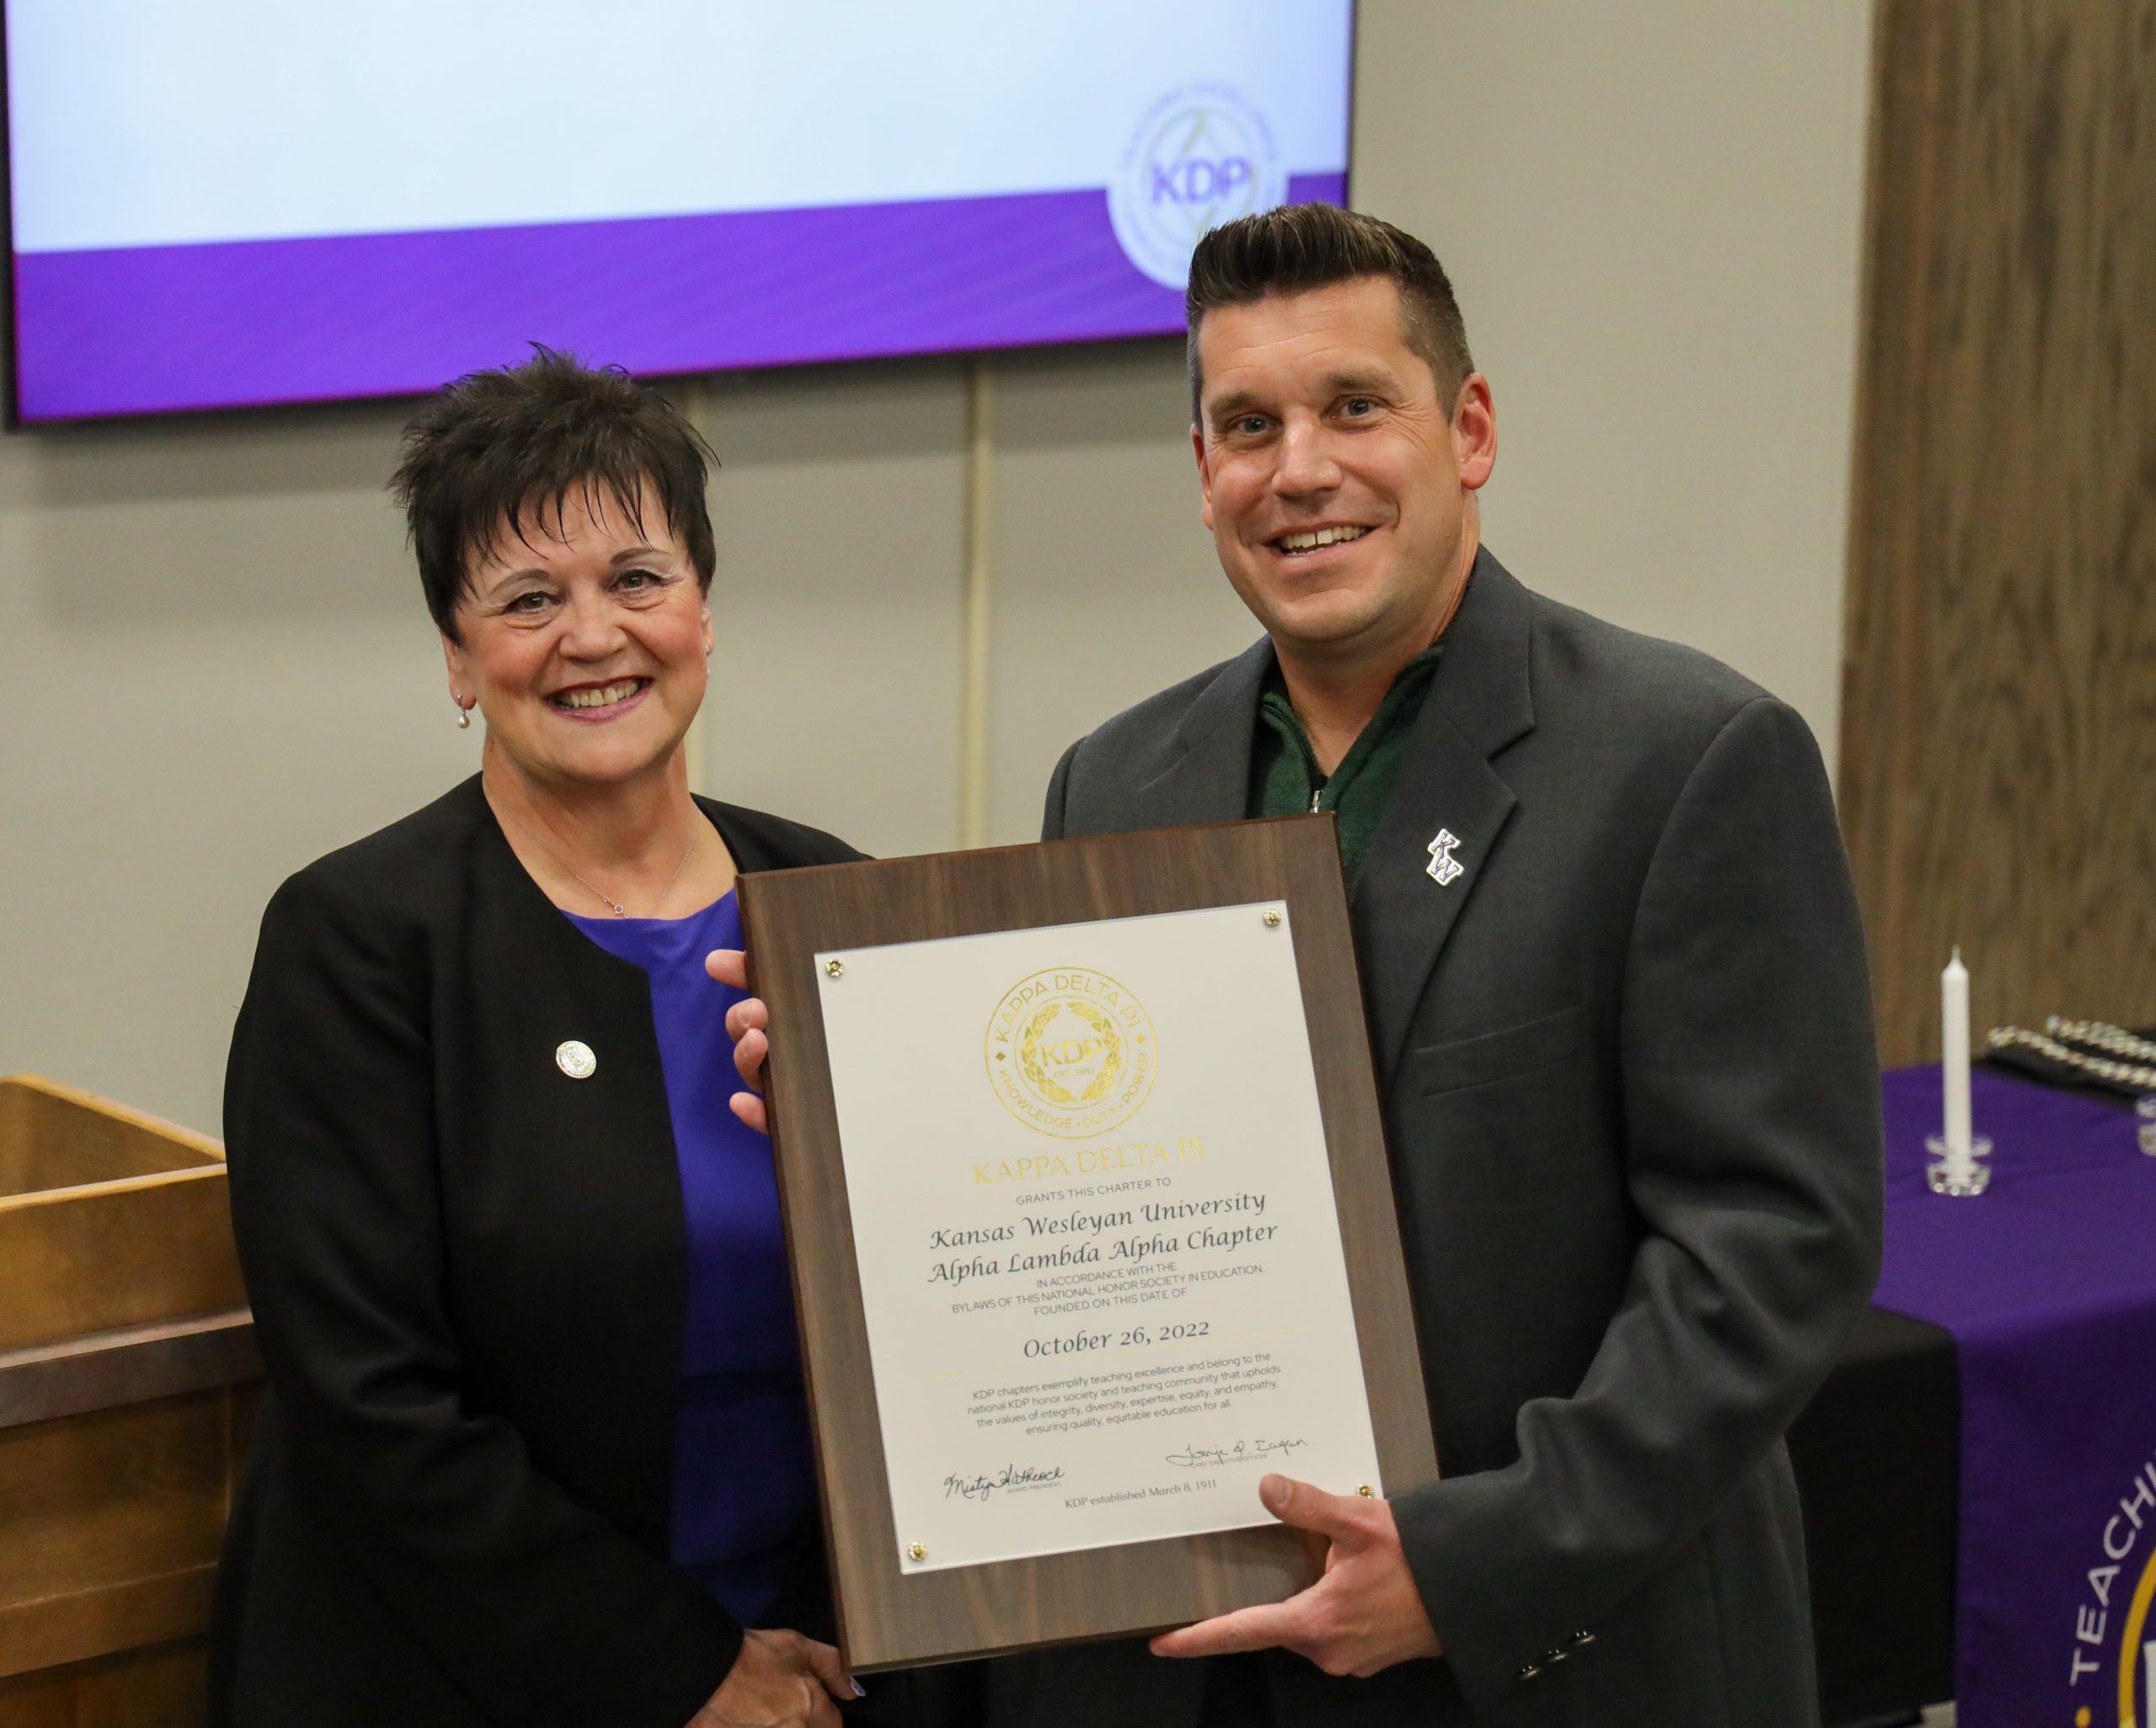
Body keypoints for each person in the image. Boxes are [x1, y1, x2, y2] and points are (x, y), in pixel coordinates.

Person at [717, 207, 1883, 1727]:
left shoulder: (1688, 760)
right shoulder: (1118, 780)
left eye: (1354, 407)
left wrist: (1469, 1563)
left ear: (1466, 430)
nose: (1301, 470)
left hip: (1552, 1659)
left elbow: (1771, 1252)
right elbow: (1087, 1161)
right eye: (1248, 425)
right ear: (1204, 474)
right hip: (1193, 1670)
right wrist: (863, 1139)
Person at [211, 350, 956, 1728]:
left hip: (825, 1663)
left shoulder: (840, 903)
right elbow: (371, 1410)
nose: (593, 634)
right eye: (527, 599)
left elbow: (954, 1284)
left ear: (704, 611)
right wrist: (682, 1673)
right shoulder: (358, 942)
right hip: (469, 1677)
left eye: (636, 579)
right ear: (456, 655)